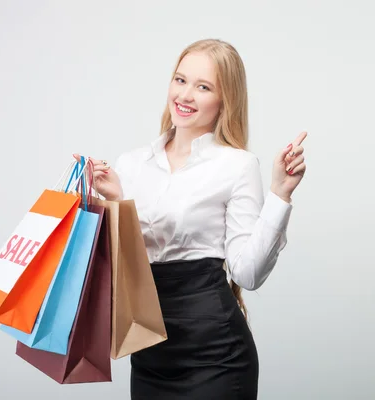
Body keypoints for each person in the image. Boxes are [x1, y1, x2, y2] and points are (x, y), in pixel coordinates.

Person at [75, 38, 307, 399]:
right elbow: (124, 270)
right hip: (150, 354)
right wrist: (114, 200)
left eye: (203, 87)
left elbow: (248, 274)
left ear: (224, 100)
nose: (185, 95)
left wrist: (281, 195)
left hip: (217, 355)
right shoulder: (130, 165)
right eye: (180, 80)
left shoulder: (238, 165)